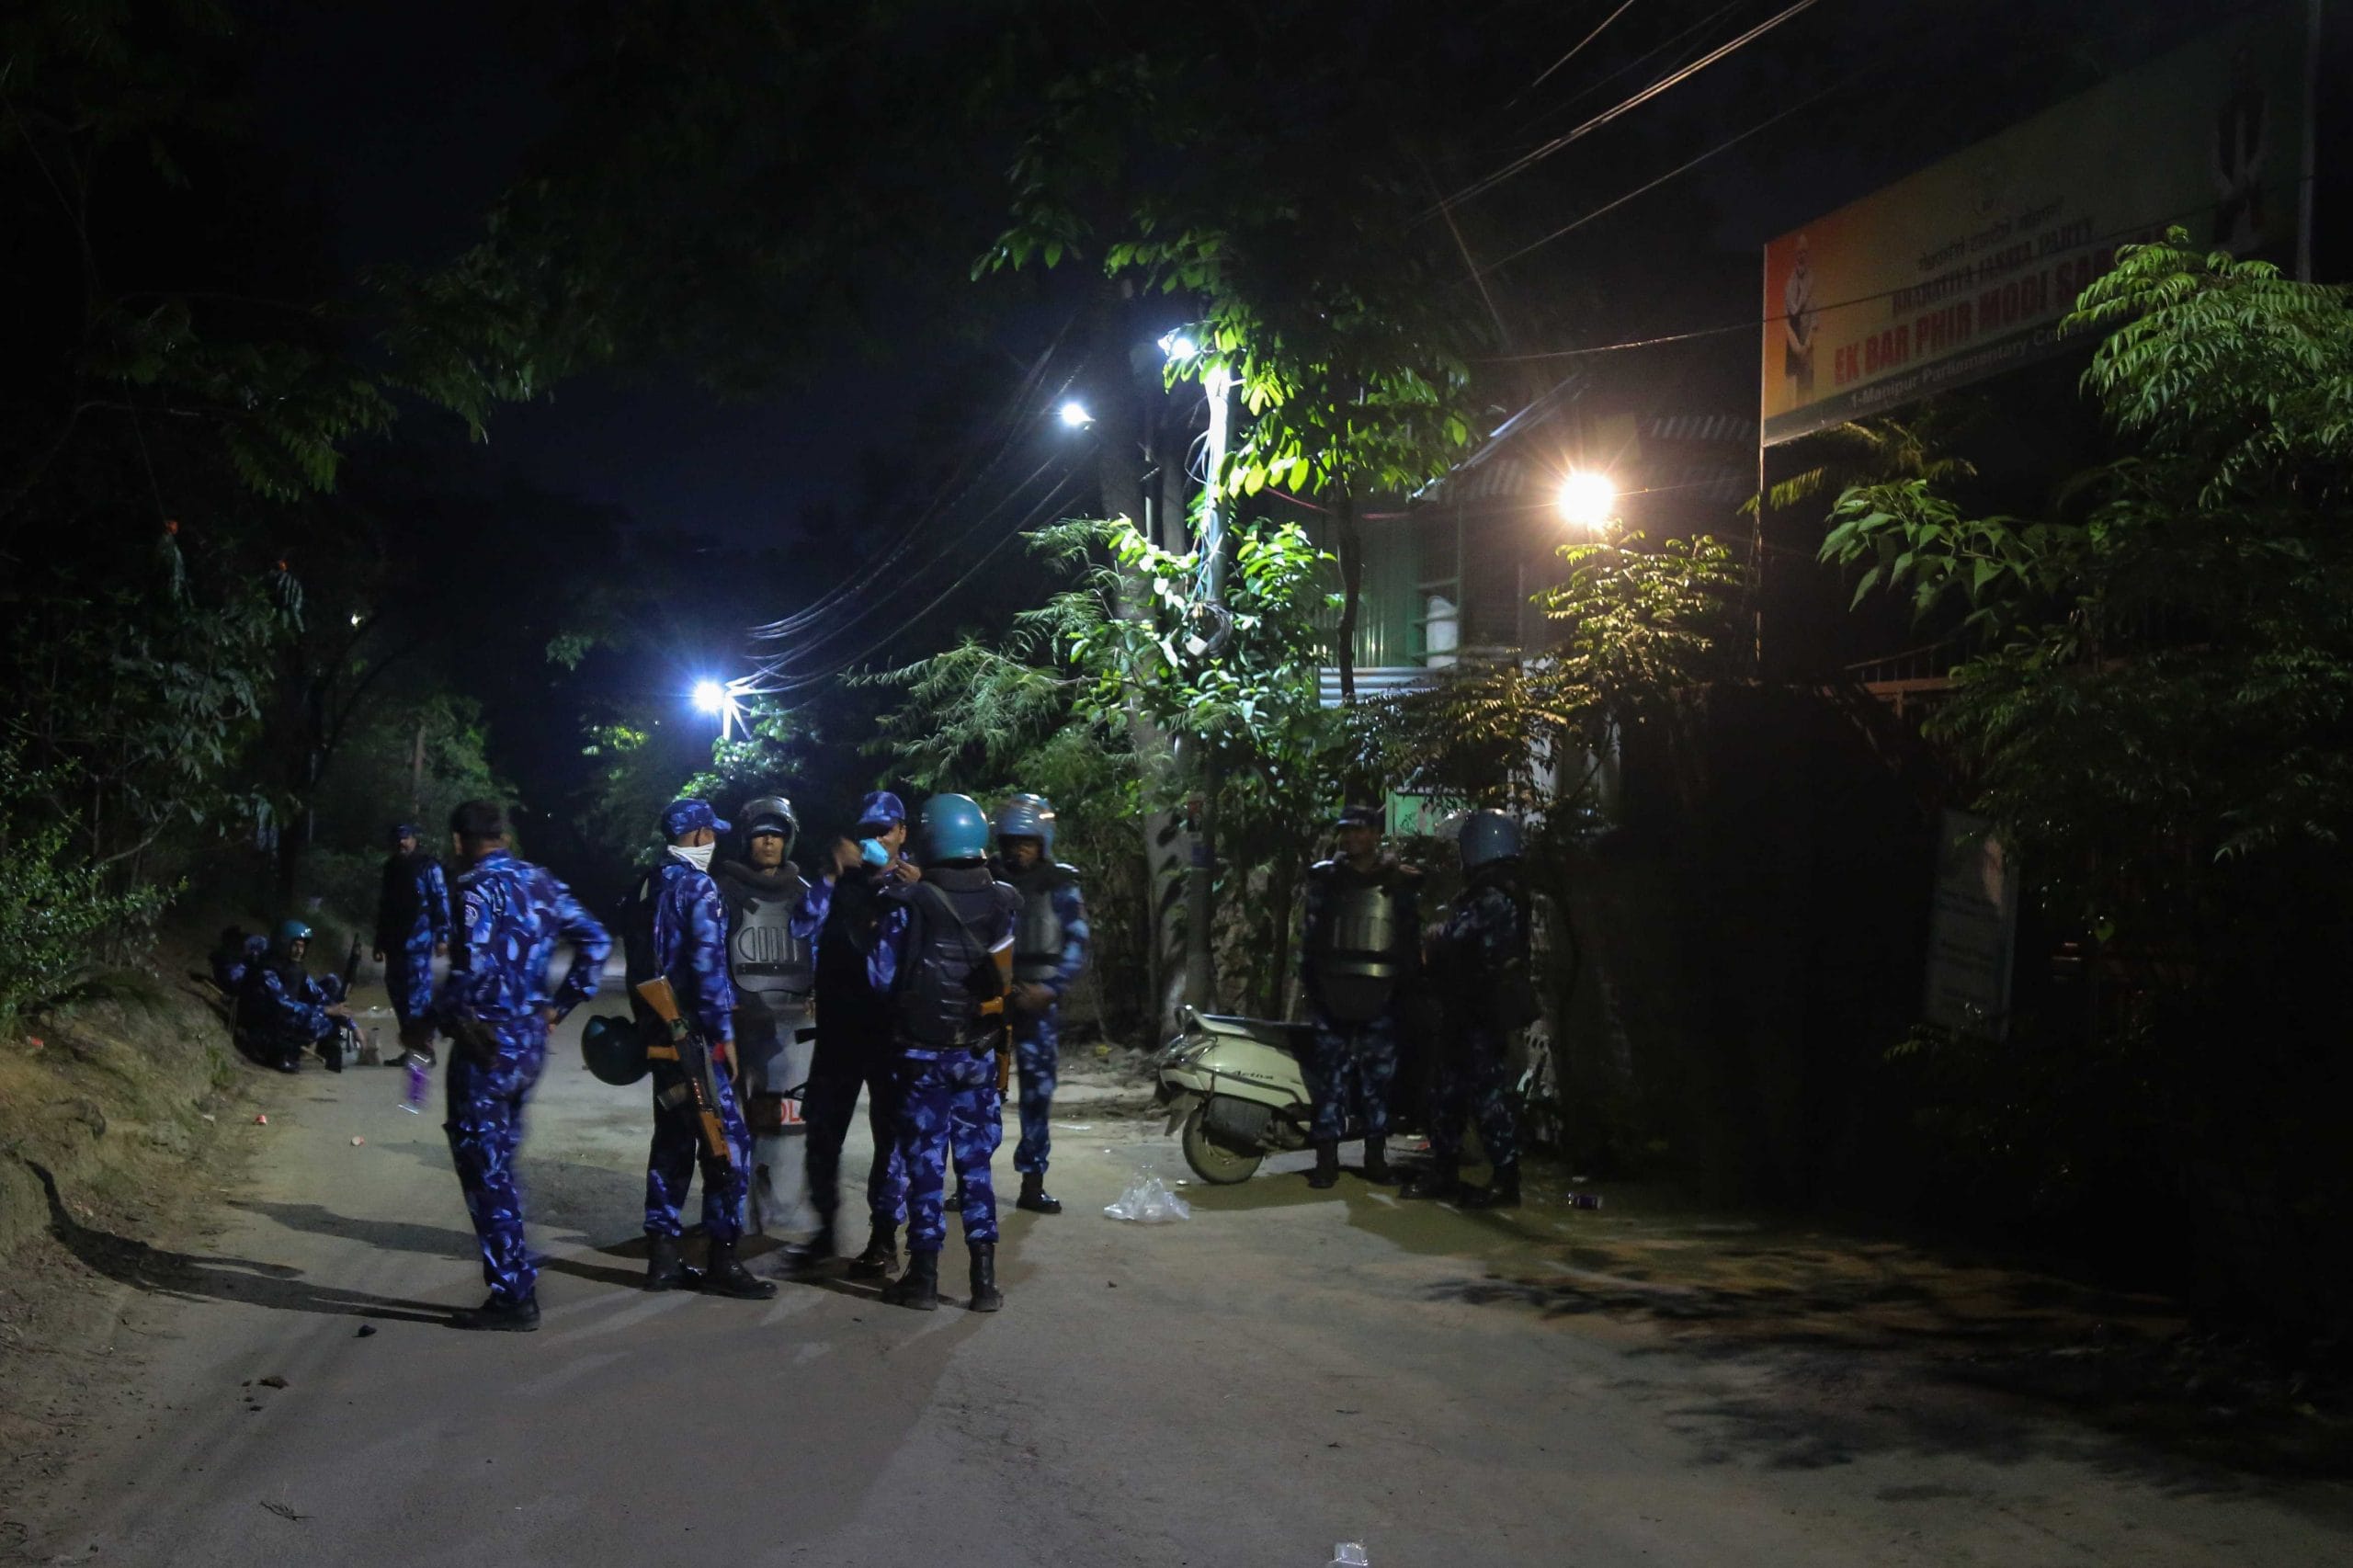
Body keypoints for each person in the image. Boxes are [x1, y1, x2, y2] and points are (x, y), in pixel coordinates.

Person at [435, 800, 610, 1330]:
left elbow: (472, 966)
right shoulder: (542, 883)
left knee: (485, 1170)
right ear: (504, 836)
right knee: (499, 1162)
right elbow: (596, 941)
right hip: (529, 1042)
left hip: (486, 1043)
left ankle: (514, 1295)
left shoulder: (473, 888)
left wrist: (439, 1012)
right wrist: (561, 1003)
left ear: (460, 841)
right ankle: (514, 1284)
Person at [621, 798, 776, 1301]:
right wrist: (723, 1038)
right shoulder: (699, 888)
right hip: (694, 1039)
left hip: (656, 1033)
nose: (714, 843)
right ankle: (723, 1260)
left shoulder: (646, 884)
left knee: (670, 1142)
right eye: (710, 834)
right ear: (695, 836)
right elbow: (709, 972)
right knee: (726, 1145)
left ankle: (662, 1259)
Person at [874, 793, 1018, 1312]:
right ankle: (983, 1282)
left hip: (922, 1056)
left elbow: (880, 976)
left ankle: (924, 1277)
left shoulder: (910, 903)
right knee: (976, 1167)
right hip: (978, 1053)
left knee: (925, 1165)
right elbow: (1004, 976)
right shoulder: (1004, 901)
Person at [793, 794, 915, 1277]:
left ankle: (883, 1240)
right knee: (822, 1133)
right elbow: (801, 925)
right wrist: (831, 875)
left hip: (892, 1035)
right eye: (869, 831)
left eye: (886, 830)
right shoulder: (841, 884)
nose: (877, 839)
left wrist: (913, 888)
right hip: (840, 1033)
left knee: (891, 1140)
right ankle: (825, 1231)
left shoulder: (916, 887)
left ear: (903, 832)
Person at [1404, 809, 1535, 1210]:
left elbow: (1452, 938)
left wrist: (1433, 934)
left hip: (1481, 1010)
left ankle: (1505, 1179)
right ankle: (1445, 1169)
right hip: (1468, 1007)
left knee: (1486, 1097)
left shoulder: (1493, 895)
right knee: (1448, 1093)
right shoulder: (1495, 889)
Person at [1297, 803, 1421, 1189]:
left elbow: (1408, 936)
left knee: (1377, 1079)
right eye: (1346, 831)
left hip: (1381, 991)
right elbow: (1311, 936)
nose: (1352, 838)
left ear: (1374, 834)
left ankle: (1374, 1157)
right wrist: (1312, 988)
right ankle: (1326, 1160)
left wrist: (1408, 989)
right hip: (1332, 990)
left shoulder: (1397, 882)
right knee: (1330, 1079)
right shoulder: (1326, 879)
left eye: (1360, 830)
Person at [713, 795, 818, 1247]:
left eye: (776, 833)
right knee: (728, 1123)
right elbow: (707, 949)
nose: (769, 841)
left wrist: (818, 992)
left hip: (791, 1024)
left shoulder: (805, 895)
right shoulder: (722, 889)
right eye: (760, 833)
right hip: (736, 1021)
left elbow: (822, 949)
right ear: (746, 840)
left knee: (786, 1123)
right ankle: (731, 1211)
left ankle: (778, 1207)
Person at [990, 792, 1089, 1216]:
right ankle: (972, 1180)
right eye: (1012, 841)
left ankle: (1033, 1182)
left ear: (1043, 840)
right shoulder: (987, 880)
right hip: (993, 1002)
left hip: (1039, 1003)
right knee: (980, 1098)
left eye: (1027, 841)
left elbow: (1078, 943)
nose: (1019, 849)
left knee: (1036, 1097)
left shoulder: (1061, 884)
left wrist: (1051, 990)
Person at [373, 821, 451, 1065]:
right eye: (398, 838)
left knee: (417, 997)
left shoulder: (427, 866)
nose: (402, 842)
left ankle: (425, 1050)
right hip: (395, 943)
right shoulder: (391, 868)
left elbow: (441, 900)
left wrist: (443, 936)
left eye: (406, 838)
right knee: (399, 996)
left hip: (419, 942)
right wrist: (379, 942)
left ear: (414, 840)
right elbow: (385, 907)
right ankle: (411, 1049)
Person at [236, 919, 356, 1074]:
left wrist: (351, 1024)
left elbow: (319, 995)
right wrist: (325, 1011)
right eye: (296, 946)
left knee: (330, 1007)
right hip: (261, 1027)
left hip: (280, 1022)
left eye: (302, 946)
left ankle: (299, 1050)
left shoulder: (294, 969)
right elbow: (282, 1005)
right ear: (284, 944)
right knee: (317, 1020)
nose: (300, 951)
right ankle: (278, 1054)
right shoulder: (267, 971)